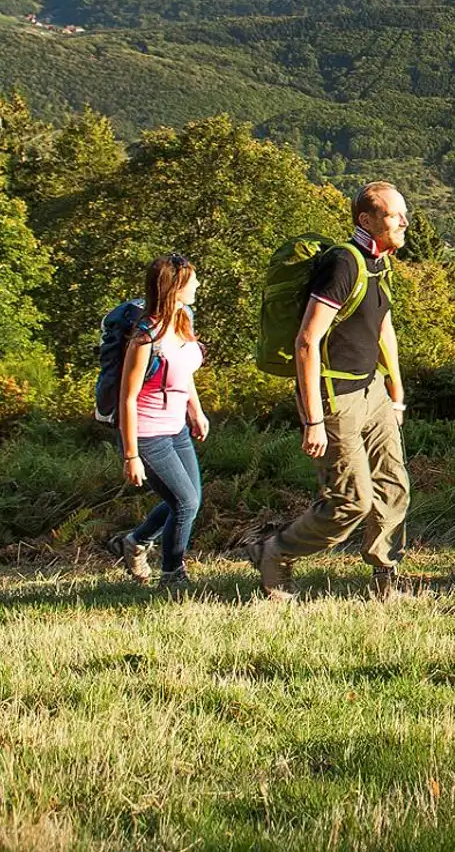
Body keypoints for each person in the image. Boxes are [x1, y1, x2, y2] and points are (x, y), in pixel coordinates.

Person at [249, 182, 412, 600]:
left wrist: (395, 390)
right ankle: (275, 551)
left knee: (393, 488)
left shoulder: (381, 263)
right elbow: (307, 340)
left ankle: (384, 579)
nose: (404, 221)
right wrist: (313, 420)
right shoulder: (345, 264)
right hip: (335, 399)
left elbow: (382, 326)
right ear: (367, 220)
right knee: (350, 502)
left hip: (372, 392)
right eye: (395, 215)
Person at [104, 253, 209, 595]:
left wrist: (196, 409)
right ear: (175, 286)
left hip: (176, 427)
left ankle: (135, 542)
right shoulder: (146, 336)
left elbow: (184, 372)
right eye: (192, 279)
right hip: (147, 433)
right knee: (186, 504)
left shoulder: (184, 319)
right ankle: (173, 576)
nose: (197, 284)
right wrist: (131, 455)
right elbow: (127, 398)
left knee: (189, 499)